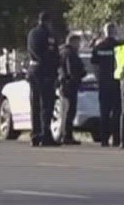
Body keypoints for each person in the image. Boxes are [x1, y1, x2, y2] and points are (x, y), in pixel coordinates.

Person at [25, 11, 61, 147]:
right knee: (46, 104)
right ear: (47, 21)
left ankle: (35, 134)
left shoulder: (32, 33)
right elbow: (51, 54)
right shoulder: (47, 34)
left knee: (35, 104)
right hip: (44, 71)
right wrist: (54, 66)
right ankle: (45, 134)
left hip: (34, 70)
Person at [89, 24, 119, 146]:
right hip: (116, 82)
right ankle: (117, 138)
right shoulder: (119, 46)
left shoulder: (98, 47)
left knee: (104, 112)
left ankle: (104, 139)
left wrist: (98, 76)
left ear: (104, 32)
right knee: (117, 111)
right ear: (114, 31)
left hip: (103, 83)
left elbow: (94, 63)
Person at [56, 34, 85, 145]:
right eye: (78, 42)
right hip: (70, 85)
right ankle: (66, 135)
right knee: (69, 111)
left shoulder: (62, 52)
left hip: (65, 84)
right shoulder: (70, 54)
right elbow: (71, 70)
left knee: (65, 111)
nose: (79, 45)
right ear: (73, 42)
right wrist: (79, 75)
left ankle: (64, 134)